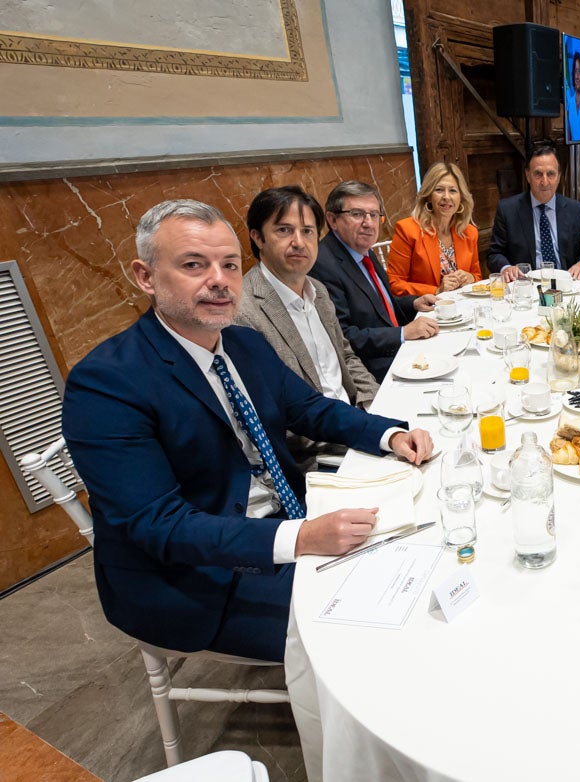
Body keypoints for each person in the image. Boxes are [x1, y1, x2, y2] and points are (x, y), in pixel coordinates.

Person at [61, 199, 435, 663]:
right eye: (194, 265)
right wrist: (300, 539)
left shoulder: (243, 344)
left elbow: (312, 409)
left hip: (287, 517)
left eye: (230, 265)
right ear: (146, 277)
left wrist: (390, 435)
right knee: (381, 629)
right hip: (197, 577)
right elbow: (158, 525)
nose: (218, 279)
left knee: (428, 550)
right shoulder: (106, 383)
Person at [234, 187, 379, 468]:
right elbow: (274, 417)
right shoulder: (243, 312)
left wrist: (375, 404)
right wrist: (362, 431)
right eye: (284, 231)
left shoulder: (319, 292)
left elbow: (347, 358)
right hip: (317, 453)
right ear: (258, 238)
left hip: (356, 420)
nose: (299, 242)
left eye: (308, 231)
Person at [309, 181, 439, 383]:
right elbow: (344, 336)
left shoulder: (364, 251)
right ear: (332, 220)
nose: (369, 223)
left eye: (374, 215)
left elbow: (381, 307)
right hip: (371, 371)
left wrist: (413, 303)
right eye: (357, 214)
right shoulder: (323, 264)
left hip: (400, 354)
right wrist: (402, 333)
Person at [488, 142, 580, 282]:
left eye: (551, 174)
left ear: (559, 176)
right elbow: (494, 254)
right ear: (528, 176)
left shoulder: (577, 211)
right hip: (526, 285)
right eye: (538, 174)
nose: (544, 182)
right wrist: (506, 267)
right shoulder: (508, 210)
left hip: (567, 283)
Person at [386, 162, 482, 297]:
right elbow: (394, 283)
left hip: (462, 309)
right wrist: (437, 291)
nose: (446, 197)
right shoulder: (407, 230)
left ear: (461, 197)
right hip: (426, 310)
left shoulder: (469, 232)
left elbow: (477, 276)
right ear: (429, 196)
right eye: (439, 190)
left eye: (453, 191)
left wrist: (470, 278)